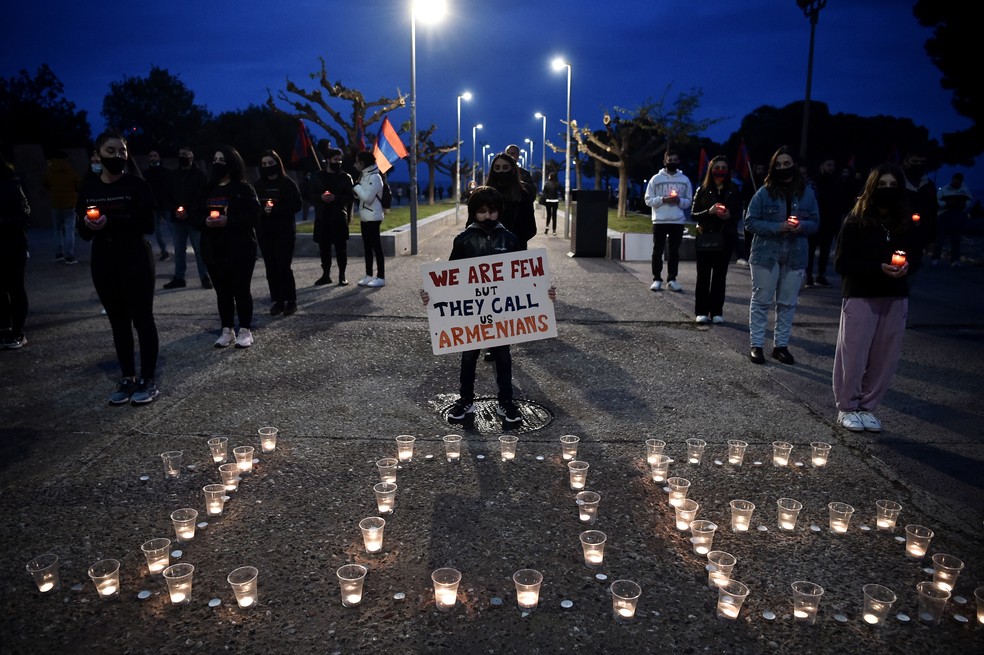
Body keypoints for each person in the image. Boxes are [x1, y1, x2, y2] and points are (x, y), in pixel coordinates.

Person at [419, 186, 556, 425]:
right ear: (473, 212)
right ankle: (465, 399)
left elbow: (525, 278)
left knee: (503, 356)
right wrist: (432, 296)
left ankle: (506, 401)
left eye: (492, 211)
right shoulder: (463, 241)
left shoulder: (511, 240)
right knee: (468, 357)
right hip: (472, 316)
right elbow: (448, 279)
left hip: (501, 316)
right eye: (482, 211)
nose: (488, 216)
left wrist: (544, 294)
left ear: (499, 212)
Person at [832, 164, 920, 433]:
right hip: (861, 295)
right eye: (882, 185)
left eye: (893, 186)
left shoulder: (903, 222)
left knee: (885, 356)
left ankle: (868, 408)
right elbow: (842, 262)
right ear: (872, 188)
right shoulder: (855, 220)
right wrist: (876, 268)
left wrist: (907, 268)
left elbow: (915, 256)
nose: (888, 191)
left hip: (894, 297)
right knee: (854, 354)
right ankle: (847, 407)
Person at [76, 131, 160, 404]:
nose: (117, 156)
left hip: (135, 258)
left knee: (142, 319)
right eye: (110, 151)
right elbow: (83, 231)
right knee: (118, 322)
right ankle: (127, 377)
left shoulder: (138, 185)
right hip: (104, 260)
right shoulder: (89, 188)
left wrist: (111, 222)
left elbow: (147, 224)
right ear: (98, 154)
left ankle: (148, 379)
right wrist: (89, 226)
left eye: (122, 151)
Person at [744, 145, 819, 365]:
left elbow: (816, 222)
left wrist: (801, 226)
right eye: (778, 165)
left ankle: (781, 346)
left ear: (794, 165)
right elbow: (750, 222)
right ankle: (756, 345)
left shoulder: (807, 193)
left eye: (787, 164)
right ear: (772, 167)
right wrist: (778, 227)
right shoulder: (764, 192)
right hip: (766, 255)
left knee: (787, 303)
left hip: (795, 255)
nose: (783, 168)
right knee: (761, 301)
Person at [194, 145, 260, 348]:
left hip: (240, 249)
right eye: (215, 160)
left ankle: (245, 330)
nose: (217, 164)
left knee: (241, 290)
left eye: (222, 160)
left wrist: (228, 220)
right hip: (214, 249)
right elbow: (195, 215)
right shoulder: (207, 189)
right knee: (222, 292)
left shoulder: (243, 188)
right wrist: (206, 221)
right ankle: (227, 329)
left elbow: (254, 216)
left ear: (232, 163)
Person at [691, 156, 742, 323]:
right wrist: (710, 211)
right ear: (711, 169)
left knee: (720, 276)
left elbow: (738, 214)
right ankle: (701, 311)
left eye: (723, 167)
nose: (720, 170)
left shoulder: (733, 189)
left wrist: (729, 216)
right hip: (706, 236)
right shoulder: (703, 190)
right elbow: (693, 214)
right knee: (703, 275)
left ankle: (717, 311)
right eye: (717, 167)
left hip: (725, 238)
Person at [254, 149, 302, 315]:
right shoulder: (258, 185)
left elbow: (297, 205)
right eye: (264, 164)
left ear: (277, 164)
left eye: (270, 163)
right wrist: (263, 211)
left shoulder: (287, 183)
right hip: (265, 232)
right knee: (271, 267)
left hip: (284, 231)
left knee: (283, 266)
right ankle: (277, 300)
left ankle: (291, 300)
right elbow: (252, 206)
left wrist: (277, 210)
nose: (267, 167)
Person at [644, 149, 692, 292]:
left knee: (674, 252)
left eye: (675, 160)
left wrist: (678, 201)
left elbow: (689, 201)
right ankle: (656, 279)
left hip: (677, 221)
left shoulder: (684, 180)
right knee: (657, 251)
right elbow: (648, 200)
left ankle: (672, 279)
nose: (672, 163)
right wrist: (663, 200)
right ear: (664, 162)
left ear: (679, 162)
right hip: (659, 220)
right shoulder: (656, 179)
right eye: (670, 160)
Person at [164, 146, 211, 289]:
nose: (182, 157)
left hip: (194, 218)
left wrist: (189, 211)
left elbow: (202, 196)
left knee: (199, 249)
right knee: (179, 249)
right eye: (180, 154)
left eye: (184, 154)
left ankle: (205, 277)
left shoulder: (200, 176)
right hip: (177, 219)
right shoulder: (173, 175)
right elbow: (168, 194)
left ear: (191, 156)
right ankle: (179, 277)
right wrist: (175, 210)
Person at [0, 152, 31, 349]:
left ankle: (18, 331)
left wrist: (2, 222)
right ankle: (5, 327)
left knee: (15, 287)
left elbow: (25, 216)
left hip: (12, 244)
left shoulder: (12, 184)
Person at [310, 148, 354, 286]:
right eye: (335, 160)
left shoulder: (345, 177)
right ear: (328, 160)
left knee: (341, 248)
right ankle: (326, 275)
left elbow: (351, 197)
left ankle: (342, 275)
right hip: (322, 218)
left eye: (340, 160)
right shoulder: (318, 176)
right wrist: (320, 197)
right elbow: (310, 194)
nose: (338, 162)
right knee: (324, 248)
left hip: (338, 217)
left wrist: (336, 198)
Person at [805, 157, 847, 287]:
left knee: (825, 249)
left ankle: (821, 275)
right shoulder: (815, 181)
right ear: (822, 166)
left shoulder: (837, 181)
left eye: (833, 165)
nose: (831, 168)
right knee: (811, 250)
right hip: (816, 219)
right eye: (828, 165)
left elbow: (840, 200)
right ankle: (808, 275)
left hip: (830, 220)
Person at [484, 152, 537, 248]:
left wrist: (513, 241)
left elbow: (530, 228)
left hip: (514, 252)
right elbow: (471, 224)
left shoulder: (522, 195)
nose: (501, 171)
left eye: (505, 167)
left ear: (512, 170)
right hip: (487, 250)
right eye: (497, 168)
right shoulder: (483, 194)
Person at [352, 151, 386, 287]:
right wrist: (357, 190)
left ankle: (381, 277)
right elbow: (362, 196)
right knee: (367, 247)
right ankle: (368, 275)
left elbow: (367, 198)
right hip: (365, 216)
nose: (355, 164)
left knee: (376, 247)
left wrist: (356, 187)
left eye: (357, 161)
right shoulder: (364, 176)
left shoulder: (375, 177)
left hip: (373, 216)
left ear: (363, 163)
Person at [42, 150, 81, 264]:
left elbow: (45, 183)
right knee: (69, 230)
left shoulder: (50, 171)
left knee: (57, 230)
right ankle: (69, 256)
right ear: (66, 159)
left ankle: (58, 253)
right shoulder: (70, 171)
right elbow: (78, 185)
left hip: (56, 204)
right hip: (70, 204)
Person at [900, 150, 936, 269]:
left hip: (918, 236)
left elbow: (933, 212)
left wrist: (931, 239)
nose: (919, 165)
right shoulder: (896, 181)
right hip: (897, 232)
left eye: (922, 162)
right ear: (906, 162)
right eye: (915, 161)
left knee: (912, 268)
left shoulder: (928, 185)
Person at [934, 172, 973, 267]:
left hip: (958, 216)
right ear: (952, 180)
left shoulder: (964, 190)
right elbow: (936, 201)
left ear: (961, 181)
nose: (956, 183)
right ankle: (935, 258)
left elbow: (969, 202)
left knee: (956, 239)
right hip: (945, 216)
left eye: (958, 181)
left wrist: (960, 204)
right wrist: (947, 204)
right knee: (940, 238)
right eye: (955, 181)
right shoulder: (944, 190)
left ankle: (954, 260)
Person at [143, 150, 172, 261]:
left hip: (165, 205)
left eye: (155, 156)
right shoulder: (146, 174)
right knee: (157, 231)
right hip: (154, 207)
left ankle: (179, 248)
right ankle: (164, 251)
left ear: (159, 158)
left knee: (172, 228)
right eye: (151, 156)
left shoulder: (166, 172)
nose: (153, 158)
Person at [737, 162, 767, 266]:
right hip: (750, 212)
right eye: (758, 169)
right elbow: (743, 196)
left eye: (762, 169)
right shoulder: (749, 182)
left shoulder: (766, 184)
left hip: (762, 214)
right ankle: (747, 256)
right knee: (748, 235)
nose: (760, 172)